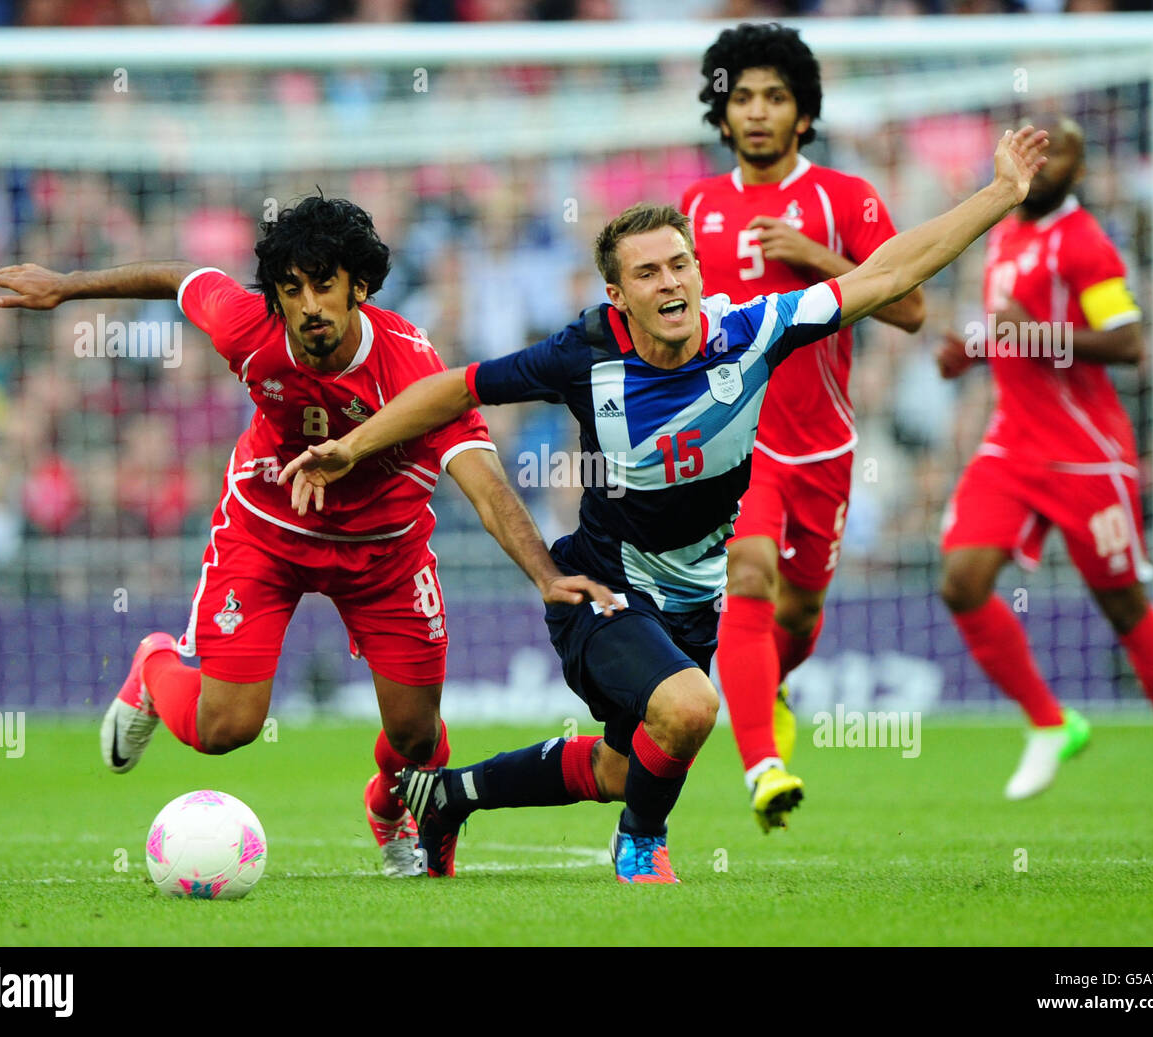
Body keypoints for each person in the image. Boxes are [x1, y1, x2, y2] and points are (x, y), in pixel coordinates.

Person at [282, 127, 1049, 883]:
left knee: (622, 764)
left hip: (692, 595)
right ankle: (641, 844)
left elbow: (887, 273)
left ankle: (448, 797)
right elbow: (454, 388)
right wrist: (355, 445)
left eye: (681, 264)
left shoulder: (754, 332)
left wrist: (1002, 192)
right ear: (617, 294)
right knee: (688, 707)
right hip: (602, 588)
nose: (671, 282)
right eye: (648, 273)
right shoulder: (581, 355)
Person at [0, 195, 618, 878]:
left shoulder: (410, 367)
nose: (308, 304)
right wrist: (65, 288)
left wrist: (546, 576)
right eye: (291, 289)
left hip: (387, 552)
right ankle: (154, 665)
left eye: (324, 285)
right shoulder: (246, 327)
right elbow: (181, 277)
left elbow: (486, 484)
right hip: (267, 532)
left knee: (415, 735)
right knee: (226, 728)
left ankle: (389, 807)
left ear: (359, 288)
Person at [682, 23, 926, 832]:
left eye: (775, 97)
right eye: (742, 97)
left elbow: (911, 308)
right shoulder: (691, 210)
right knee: (748, 574)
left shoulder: (845, 197)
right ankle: (764, 765)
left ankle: (771, 685)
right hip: (734, 444)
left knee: (798, 614)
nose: (756, 112)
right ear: (721, 116)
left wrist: (819, 258)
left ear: (803, 113)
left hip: (822, 441)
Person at [936, 117, 1153, 812]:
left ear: (1079, 171)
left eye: (1058, 151)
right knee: (961, 580)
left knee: (1123, 606)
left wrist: (1019, 335)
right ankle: (1050, 721)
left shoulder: (1086, 243)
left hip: (1086, 454)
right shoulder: (1002, 233)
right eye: (1032, 147)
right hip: (1011, 443)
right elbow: (1009, 329)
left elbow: (1127, 343)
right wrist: (972, 350)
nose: (1042, 160)